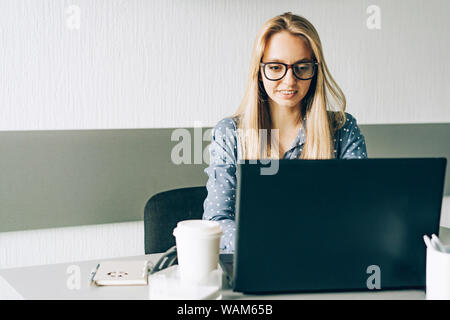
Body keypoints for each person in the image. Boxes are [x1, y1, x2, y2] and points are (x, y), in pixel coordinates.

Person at [202, 12, 368, 252]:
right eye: (276, 67)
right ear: (259, 70)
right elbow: (216, 221)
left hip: (326, 260)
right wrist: (273, 242)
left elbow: (361, 213)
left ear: (315, 70)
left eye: (302, 67)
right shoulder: (230, 134)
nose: (289, 81)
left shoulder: (343, 130)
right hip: (256, 263)